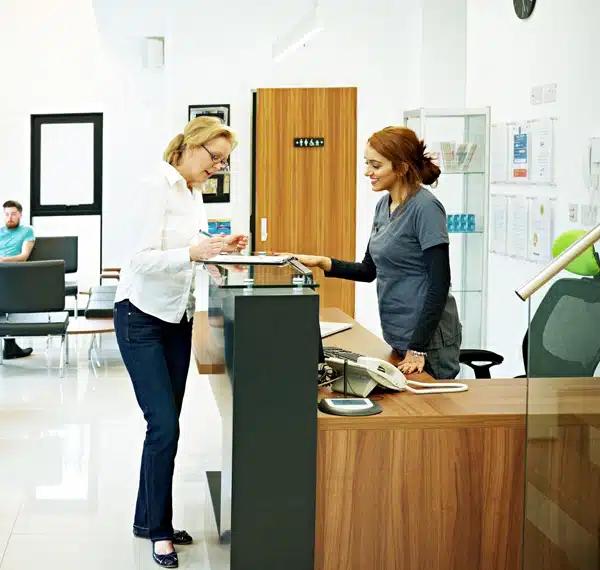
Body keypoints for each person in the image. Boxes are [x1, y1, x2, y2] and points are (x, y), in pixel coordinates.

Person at [113, 116, 248, 568]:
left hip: (176, 317)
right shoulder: (155, 185)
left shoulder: (193, 193)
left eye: (224, 162)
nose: (218, 167)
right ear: (191, 146)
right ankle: (158, 530)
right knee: (164, 426)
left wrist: (218, 251)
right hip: (141, 319)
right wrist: (194, 253)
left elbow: (191, 247)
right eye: (215, 157)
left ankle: (145, 518)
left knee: (164, 428)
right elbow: (138, 259)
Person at [294, 126, 461, 379]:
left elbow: (439, 283)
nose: (367, 172)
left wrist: (417, 348)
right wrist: (322, 262)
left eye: (375, 165)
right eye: (367, 163)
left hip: (427, 342)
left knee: (429, 413)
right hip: (397, 332)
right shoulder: (384, 205)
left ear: (402, 167)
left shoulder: (426, 208)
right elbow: (369, 270)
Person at [0, 200, 35, 359]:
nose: (10, 217)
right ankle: (10, 346)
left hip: (14, 272)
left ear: (20, 214)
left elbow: (23, 257)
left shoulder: (27, 231)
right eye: (7, 214)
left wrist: (2, 261)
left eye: (13, 214)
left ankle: (9, 345)